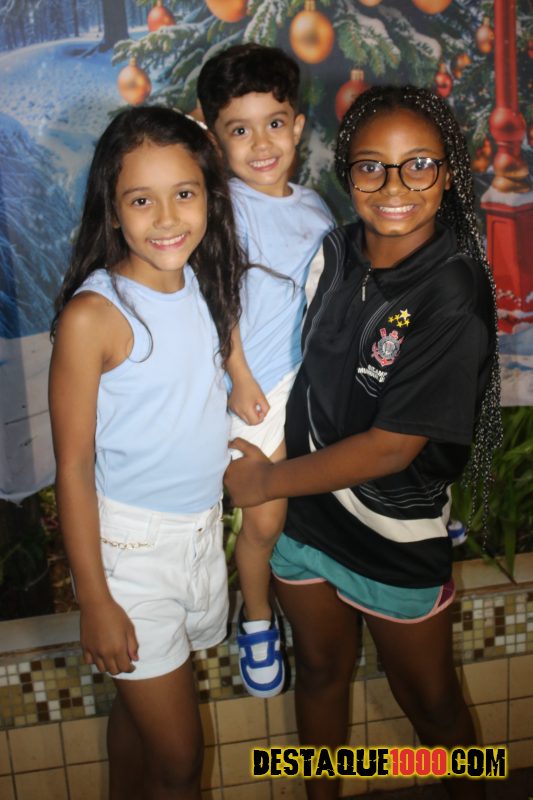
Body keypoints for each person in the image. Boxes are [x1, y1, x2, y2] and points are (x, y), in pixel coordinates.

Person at [225, 85, 502, 800]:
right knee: (319, 674)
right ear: (347, 173)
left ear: (447, 173)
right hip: (307, 524)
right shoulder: (335, 250)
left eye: (418, 165)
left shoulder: (452, 291)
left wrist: (265, 483)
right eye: (371, 167)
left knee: (432, 709)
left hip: (392, 537)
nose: (394, 187)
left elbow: (391, 447)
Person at [49, 106, 249, 800]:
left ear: (208, 197)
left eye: (183, 193)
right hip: (130, 558)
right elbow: (72, 467)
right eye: (141, 200)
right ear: (113, 209)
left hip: (199, 539)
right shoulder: (94, 317)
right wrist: (95, 599)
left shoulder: (202, 281)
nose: (167, 218)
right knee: (181, 764)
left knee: (140, 721)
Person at [197, 43, 335, 698]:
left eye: (274, 123)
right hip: (252, 387)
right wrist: (240, 374)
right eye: (239, 130)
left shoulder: (315, 208)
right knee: (264, 517)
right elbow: (216, 292)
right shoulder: (219, 206)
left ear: (297, 126)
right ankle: (256, 618)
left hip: (311, 380)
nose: (261, 144)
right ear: (212, 137)